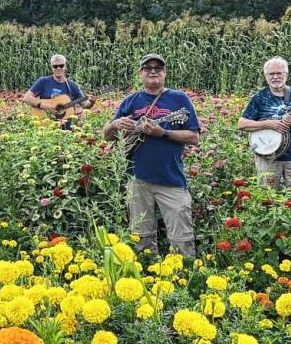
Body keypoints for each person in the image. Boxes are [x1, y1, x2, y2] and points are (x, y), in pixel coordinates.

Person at [102, 53, 200, 257]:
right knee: (141, 236)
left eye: (158, 68)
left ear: (165, 73)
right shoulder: (131, 101)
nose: (153, 71)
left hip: (171, 179)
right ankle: (147, 276)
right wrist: (115, 124)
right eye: (148, 68)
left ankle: (184, 277)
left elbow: (193, 137)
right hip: (137, 179)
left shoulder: (179, 99)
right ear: (141, 74)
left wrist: (162, 132)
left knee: (181, 238)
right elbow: (107, 136)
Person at [238, 56, 291, 188]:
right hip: (268, 159)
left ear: (286, 74)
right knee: (268, 200)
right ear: (265, 76)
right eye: (271, 74)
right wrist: (268, 124)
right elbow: (242, 124)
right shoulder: (259, 97)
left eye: (278, 73)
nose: (275, 77)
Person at [22, 54, 95, 128]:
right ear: (52, 68)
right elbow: (26, 98)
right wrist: (42, 105)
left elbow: (84, 104)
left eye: (61, 65)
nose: (58, 68)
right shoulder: (43, 82)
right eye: (55, 66)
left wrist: (92, 102)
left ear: (65, 66)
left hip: (67, 128)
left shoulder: (73, 86)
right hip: (46, 125)